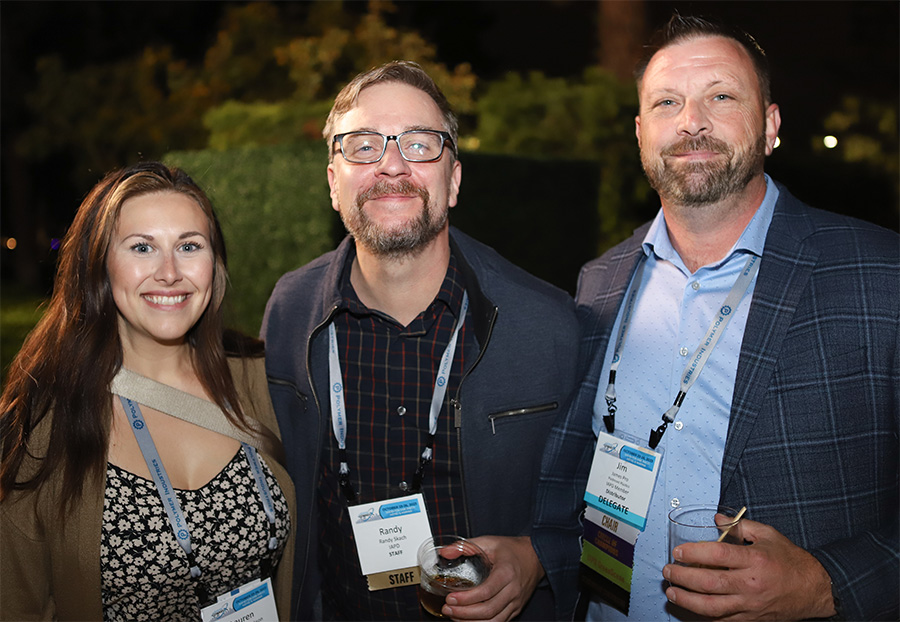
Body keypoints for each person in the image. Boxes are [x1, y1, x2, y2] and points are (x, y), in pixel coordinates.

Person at [529, 14, 899, 622]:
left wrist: (828, 585)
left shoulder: (881, 277)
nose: (690, 121)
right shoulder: (599, 282)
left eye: (720, 97)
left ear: (770, 125)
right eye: (666, 102)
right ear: (641, 132)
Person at [261, 61, 579, 621]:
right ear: (333, 182)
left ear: (453, 180)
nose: (391, 164)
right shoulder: (290, 313)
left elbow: (596, 506)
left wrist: (535, 559)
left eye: (419, 143)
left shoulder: (548, 326)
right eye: (362, 145)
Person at [1, 162, 296, 620]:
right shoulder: (45, 420)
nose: (170, 272)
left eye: (189, 246)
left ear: (214, 266)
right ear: (99, 265)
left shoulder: (258, 379)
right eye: (142, 247)